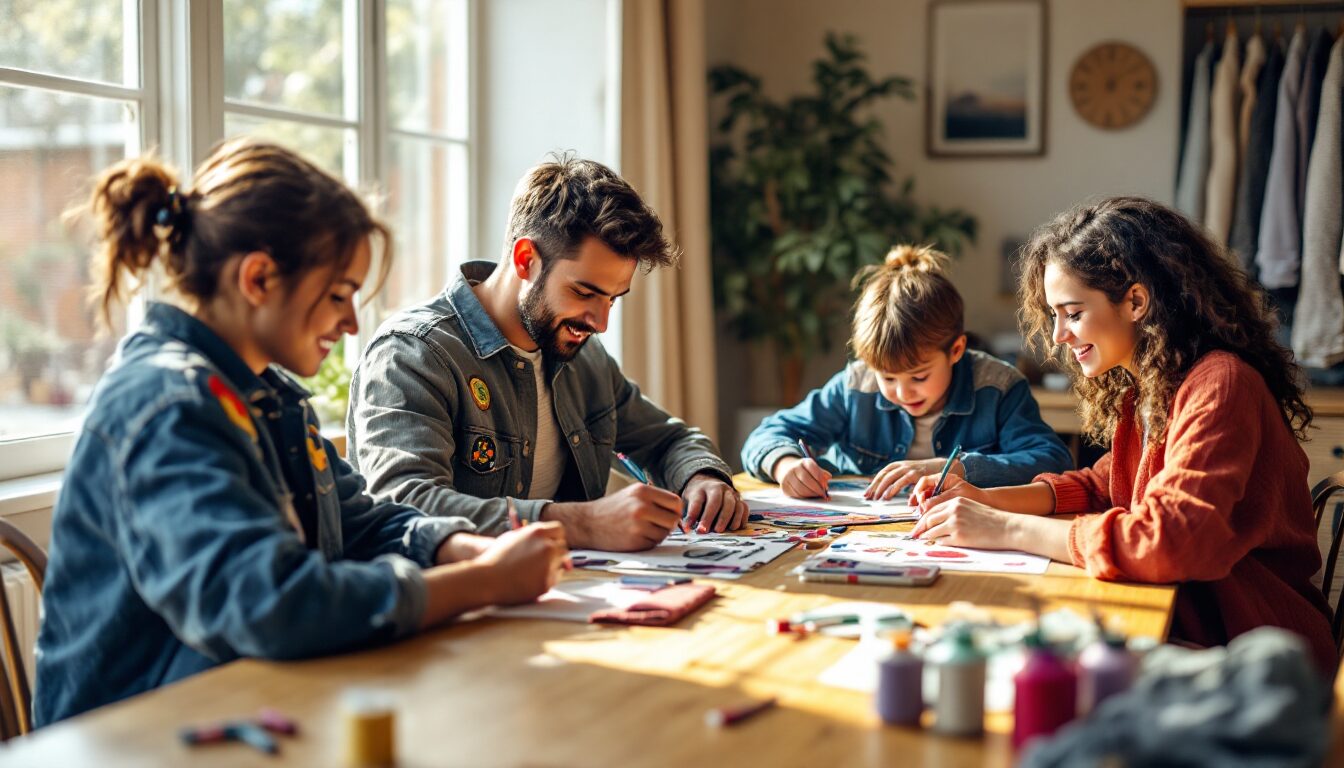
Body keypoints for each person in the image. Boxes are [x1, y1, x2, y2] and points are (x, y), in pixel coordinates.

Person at [34, 140, 570, 726]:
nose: (352, 323)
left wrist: (460, 548)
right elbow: (270, 603)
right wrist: (482, 584)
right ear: (259, 278)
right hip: (135, 737)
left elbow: (358, 522)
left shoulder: (269, 396)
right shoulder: (170, 406)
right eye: (339, 295)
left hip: (250, 707)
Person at [910, 197, 1336, 671]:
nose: (1058, 336)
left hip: (1252, 654)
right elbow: (1101, 486)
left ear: (1135, 301)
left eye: (1072, 313)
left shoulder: (1221, 384)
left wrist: (1005, 528)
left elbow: (1169, 541)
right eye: (1054, 315)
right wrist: (985, 500)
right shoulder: (1150, 391)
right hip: (1192, 629)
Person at [348, 155, 744, 551]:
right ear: (526, 260)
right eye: (584, 292)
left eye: (613, 299)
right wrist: (584, 523)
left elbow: (667, 440)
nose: (600, 323)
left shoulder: (585, 358)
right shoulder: (413, 353)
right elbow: (405, 504)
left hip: (569, 584)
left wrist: (702, 478)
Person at [741, 245, 1072, 500]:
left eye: (919, 377)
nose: (902, 393)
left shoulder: (998, 387)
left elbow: (1052, 460)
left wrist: (955, 468)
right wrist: (785, 465)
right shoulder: (856, 385)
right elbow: (765, 436)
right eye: (887, 377)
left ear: (956, 350)